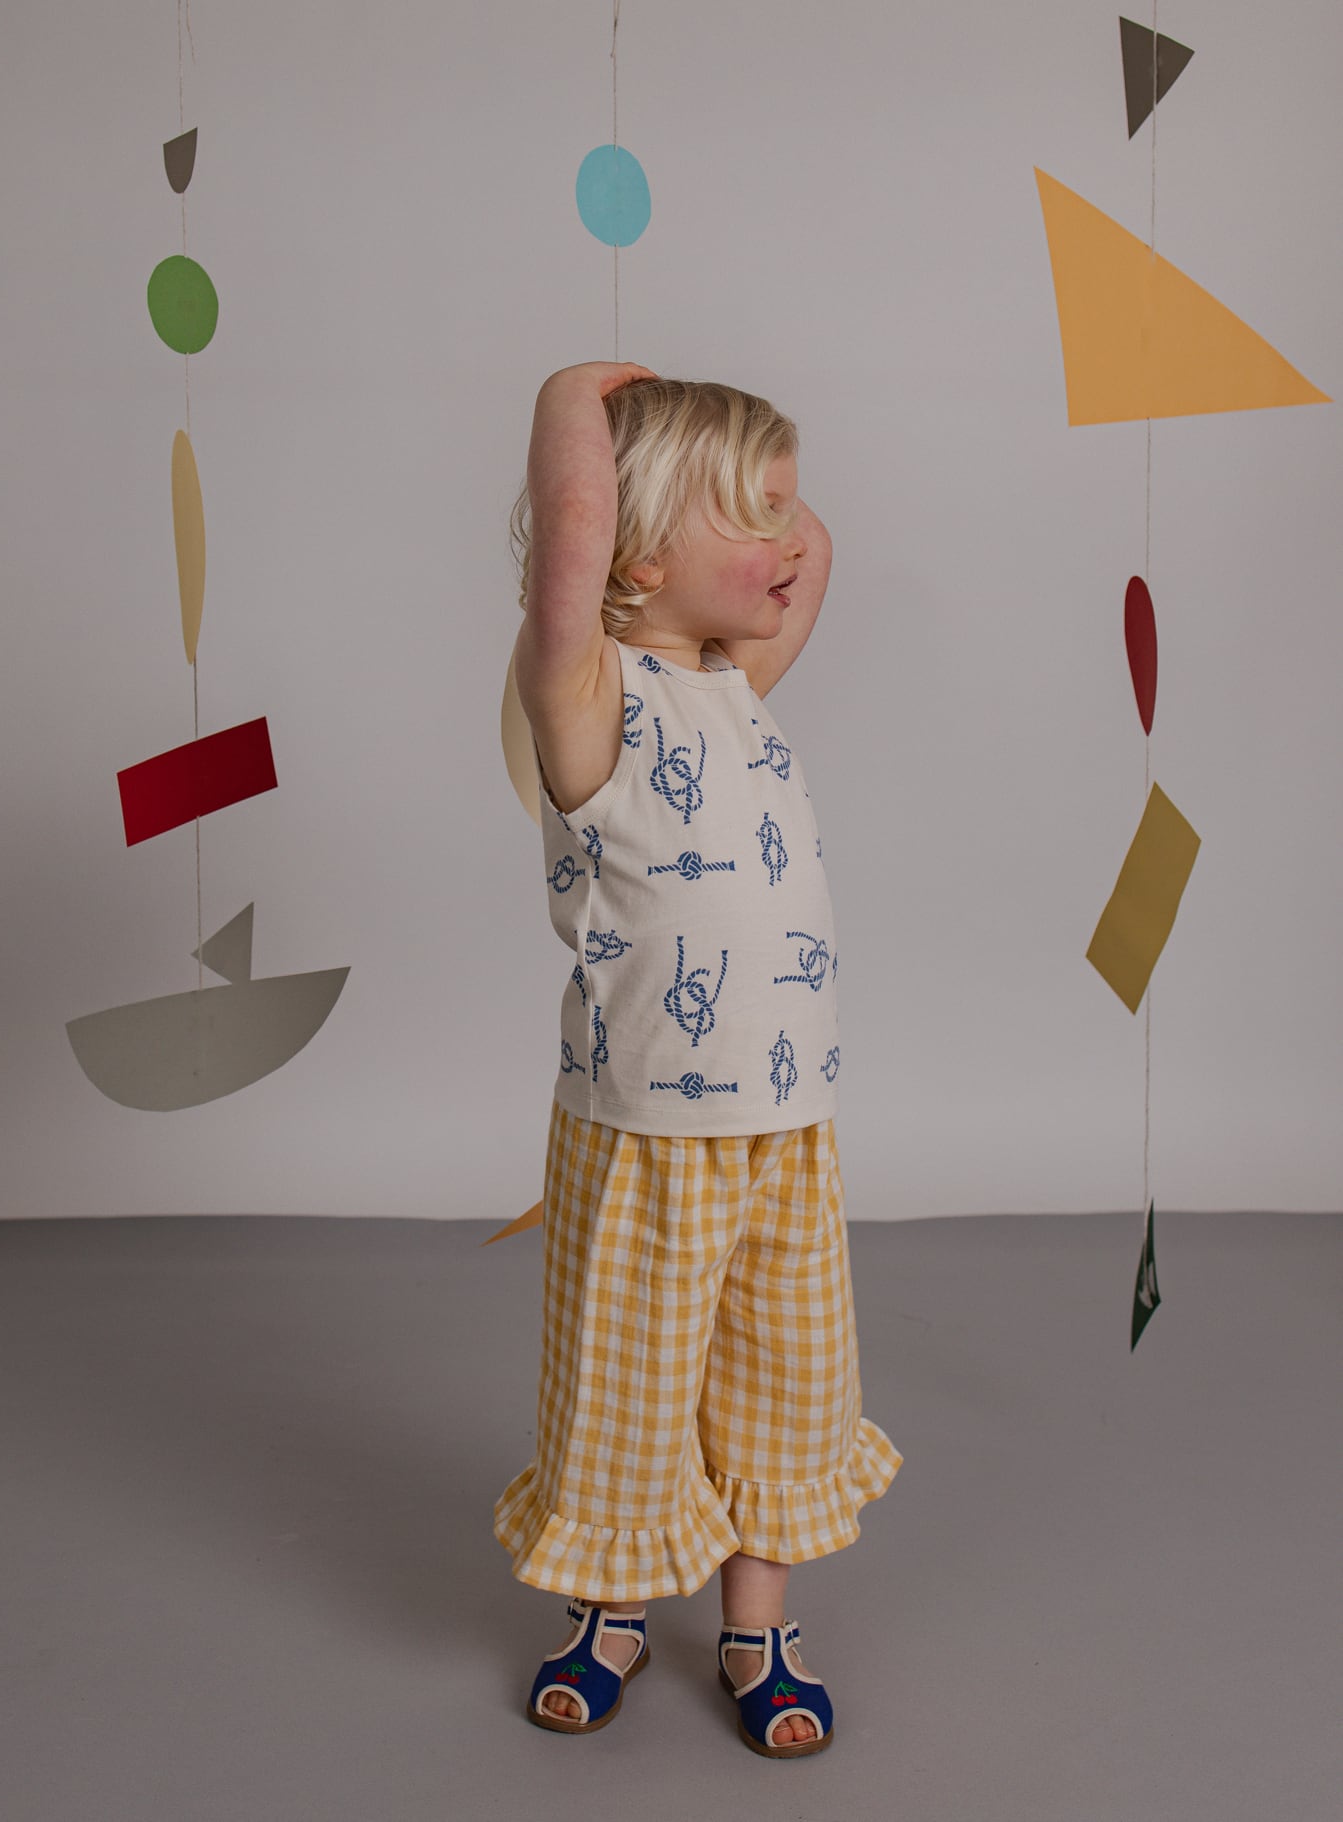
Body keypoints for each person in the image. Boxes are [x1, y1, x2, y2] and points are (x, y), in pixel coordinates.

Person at [494, 361, 903, 1758]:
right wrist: (578, 400)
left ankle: (756, 1626)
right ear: (639, 553)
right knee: (629, 1390)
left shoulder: (735, 683)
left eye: (786, 506)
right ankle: (608, 1611)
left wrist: (750, 481)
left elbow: (817, 554)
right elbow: (569, 552)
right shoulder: (590, 698)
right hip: (645, 1136)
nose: (793, 538)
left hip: (788, 1124)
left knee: (785, 1381)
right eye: (755, 514)